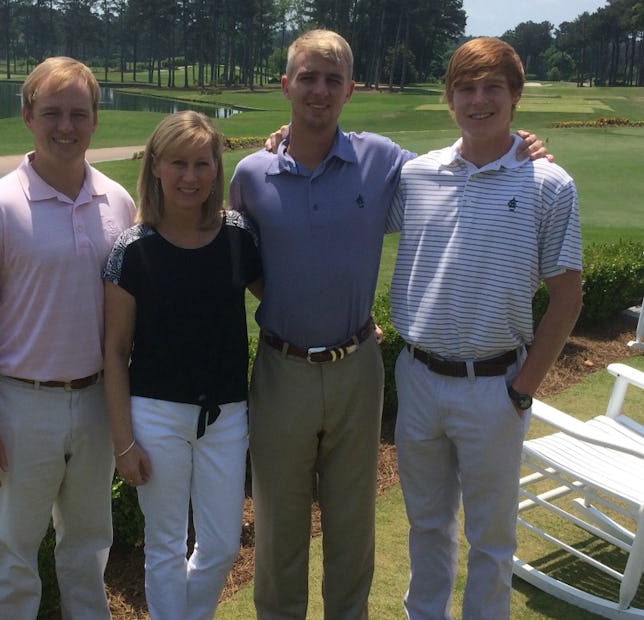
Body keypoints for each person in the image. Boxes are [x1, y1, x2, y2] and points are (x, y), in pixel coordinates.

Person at [235, 29, 549, 620]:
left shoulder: (384, 161)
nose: (319, 91)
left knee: (352, 525)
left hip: (357, 367)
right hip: (280, 368)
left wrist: (518, 147)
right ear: (286, 85)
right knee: (279, 524)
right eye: (307, 77)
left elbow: (460, 168)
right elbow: (246, 263)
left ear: (351, 89)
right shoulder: (251, 174)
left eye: (332, 80)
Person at [387, 37, 582, 619]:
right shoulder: (417, 176)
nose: (478, 100)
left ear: (515, 98)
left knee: (492, 541)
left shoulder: (549, 185)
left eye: (492, 87)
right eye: (465, 88)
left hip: (495, 384)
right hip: (418, 376)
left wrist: (523, 389)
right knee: (425, 525)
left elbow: (567, 300)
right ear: (449, 100)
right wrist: (280, 143)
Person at [0, 56, 136, 619]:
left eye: (79, 113)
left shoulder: (119, 202)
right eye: (52, 112)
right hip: (20, 405)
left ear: (95, 120)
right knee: (13, 553)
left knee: (87, 548)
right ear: (28, 115)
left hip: (96, 403)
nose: (66, 126)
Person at [103, 110, 263, 620]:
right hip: (155, 416)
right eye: (177, 163)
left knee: (221, 546)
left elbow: (283, 301)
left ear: (217, 169)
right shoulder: (133, 250)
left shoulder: (237, 235)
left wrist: (350, 321)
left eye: (201, 163)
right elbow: (114, 350)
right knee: (166, 545)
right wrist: (122, 441)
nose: (190, 176)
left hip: (227, 415)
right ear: (155, 166)